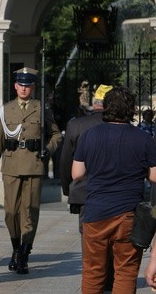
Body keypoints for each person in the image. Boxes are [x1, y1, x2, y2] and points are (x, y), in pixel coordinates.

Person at [72, 86, 156, 293]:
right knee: (126, 271)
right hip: (128, 213)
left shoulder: (89, 136)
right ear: (131, 110)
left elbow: (77, 173)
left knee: (93, 271)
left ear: (106, 107)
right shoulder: (143, 138)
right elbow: (154, 175)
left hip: (96, 213)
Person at [0, 67, 61, 275]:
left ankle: (24, 253)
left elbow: (56, 135)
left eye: (28, 85)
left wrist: (47, 150)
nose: (24, 88)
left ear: (33, 87)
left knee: (30, 212)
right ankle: (15, 247)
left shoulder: (41, 108)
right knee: (11, 212)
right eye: (21, 85)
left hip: (33, 165)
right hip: (11, 166)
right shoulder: (6, 109)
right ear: (15, 86)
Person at [59, 83, 115, 290]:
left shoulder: (76, 125)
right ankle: (110, 278)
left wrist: (68, 189)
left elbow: (66, 161)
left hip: (85, 191)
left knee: (89, 237)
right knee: (114, 236)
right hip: (115, 191)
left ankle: (94, 278)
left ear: (94, 103)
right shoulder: (121, 124)